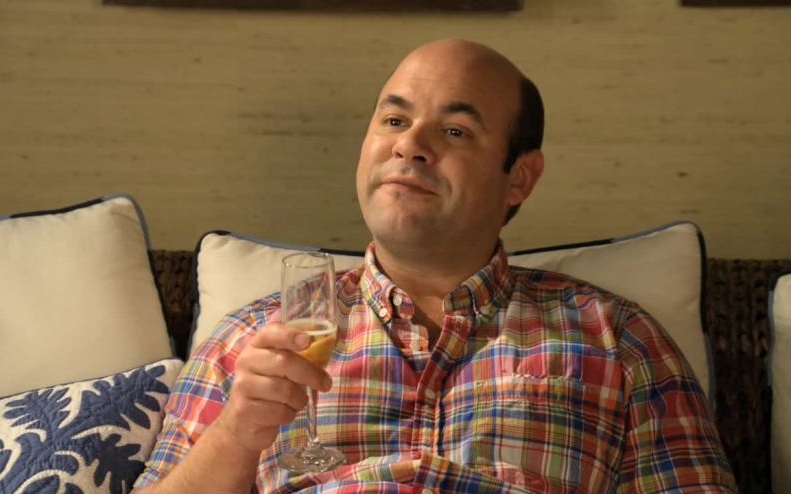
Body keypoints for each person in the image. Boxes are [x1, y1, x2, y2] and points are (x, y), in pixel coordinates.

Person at [133, 39, 735, 493]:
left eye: (454, 130)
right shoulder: (252, 342)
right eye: (394, 121)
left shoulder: (617, 339)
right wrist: (236, 435)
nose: (409, 145)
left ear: (520, 177)